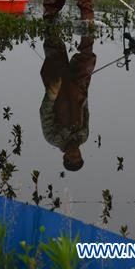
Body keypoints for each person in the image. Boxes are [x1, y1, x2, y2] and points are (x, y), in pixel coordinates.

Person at [39, 34, 96, 172]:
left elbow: (45, 113)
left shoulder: (52, 138)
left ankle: (51, 19)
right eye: (78, 156)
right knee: (87, 59)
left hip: (58, 89)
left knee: (54, 49)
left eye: (73, 157)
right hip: (78, 89)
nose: (76, 153)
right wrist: (82, 90)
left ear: (65, 157)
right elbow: (86, 112)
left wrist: (53, 93)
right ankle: (87, 25)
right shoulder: (84, 136)